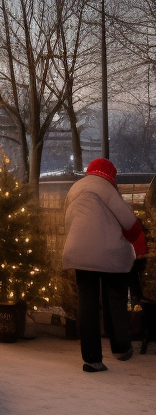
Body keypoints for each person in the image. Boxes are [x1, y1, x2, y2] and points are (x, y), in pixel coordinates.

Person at [62, 158, 146, 372]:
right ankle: (120, 348)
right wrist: (140, 246)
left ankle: (92, 359)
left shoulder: (75, 188)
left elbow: (69, 222)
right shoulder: (106, 188)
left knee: (87, 303)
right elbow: (130, 224)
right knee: (116, 298)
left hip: (79, 252)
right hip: (110, 255)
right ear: (110, 175)